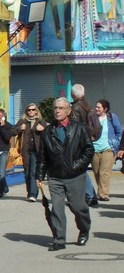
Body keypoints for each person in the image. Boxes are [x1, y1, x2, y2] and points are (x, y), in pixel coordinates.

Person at [36, 97, 93, 251]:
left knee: (78, 207)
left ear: (68, 111)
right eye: (55, 108)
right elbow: (42, 157)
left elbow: (89, 150)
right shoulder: (47, 132)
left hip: (75, 176)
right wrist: (39, 176)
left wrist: (77, 165)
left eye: (61, 108)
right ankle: (59, 239)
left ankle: (84, 229)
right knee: (57, 209)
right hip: (55, 178)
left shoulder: (79, 128)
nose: (58, 111)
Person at [70, 83, 102, 206]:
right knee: (80, 170)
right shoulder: (88, 105)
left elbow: (73, 127)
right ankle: (87, 196)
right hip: (88, 142)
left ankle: (90, 196)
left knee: (79, 170)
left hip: (78, 143)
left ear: (73, 95)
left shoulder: (76, 108)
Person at [14, 104, 48, 202]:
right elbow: (13, 132)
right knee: (27, 172)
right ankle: (29, 192)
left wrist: (43, 130)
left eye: (33, 110)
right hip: (25, 150)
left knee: (33, 172)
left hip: (37, 151)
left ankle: (33, 194)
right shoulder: (23, 121)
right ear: (26, 111)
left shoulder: (41, 122)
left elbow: (49, 134)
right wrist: (20, 128)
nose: (31, 112)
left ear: (36, 111)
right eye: (29, 110)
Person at [91, 100, 118, 202]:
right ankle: (100, 191)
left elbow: (118, 131)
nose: (96, 109)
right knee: (97, 172)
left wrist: (117, 145)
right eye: (96, 107)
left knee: (104, 172)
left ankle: (103, 194)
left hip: (108, 148)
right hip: (94, 149)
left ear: (105, 109)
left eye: (99, 107)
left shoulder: (111, 117)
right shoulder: (92, 118)